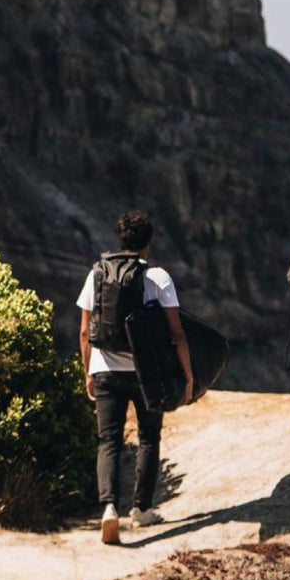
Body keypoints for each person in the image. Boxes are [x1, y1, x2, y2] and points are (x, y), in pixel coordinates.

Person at [76, 211, 193, 544]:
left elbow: (85, 331)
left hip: (104, 370)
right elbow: (177, 333)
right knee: (148, 438)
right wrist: (186, 376)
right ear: (147, 242)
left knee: (109, 440)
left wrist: (88, 371)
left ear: (120, 239)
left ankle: (109, 508)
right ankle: (141, 509)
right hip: (146, 373)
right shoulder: (157, 277)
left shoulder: (96, 272)